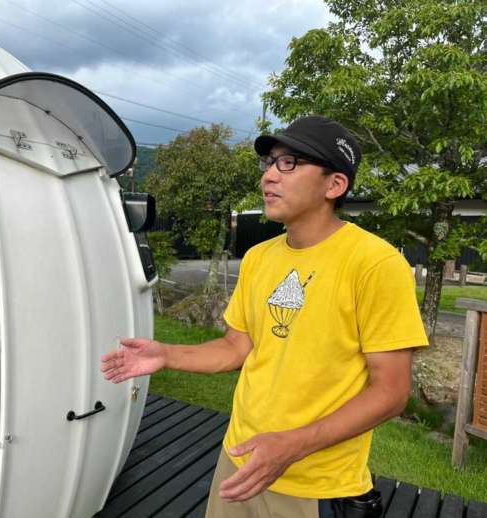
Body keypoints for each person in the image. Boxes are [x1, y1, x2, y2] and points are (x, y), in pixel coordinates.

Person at [101, 116, 428, 518]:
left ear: (334, 185)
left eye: (290, 162)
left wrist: (291, 445)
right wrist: (166, 354)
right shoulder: (258, 258)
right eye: (270, 162)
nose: (270, 176)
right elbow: (236, 347)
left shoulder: (376, 264)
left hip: (314, 484)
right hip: (239, 460)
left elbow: (391, 392)